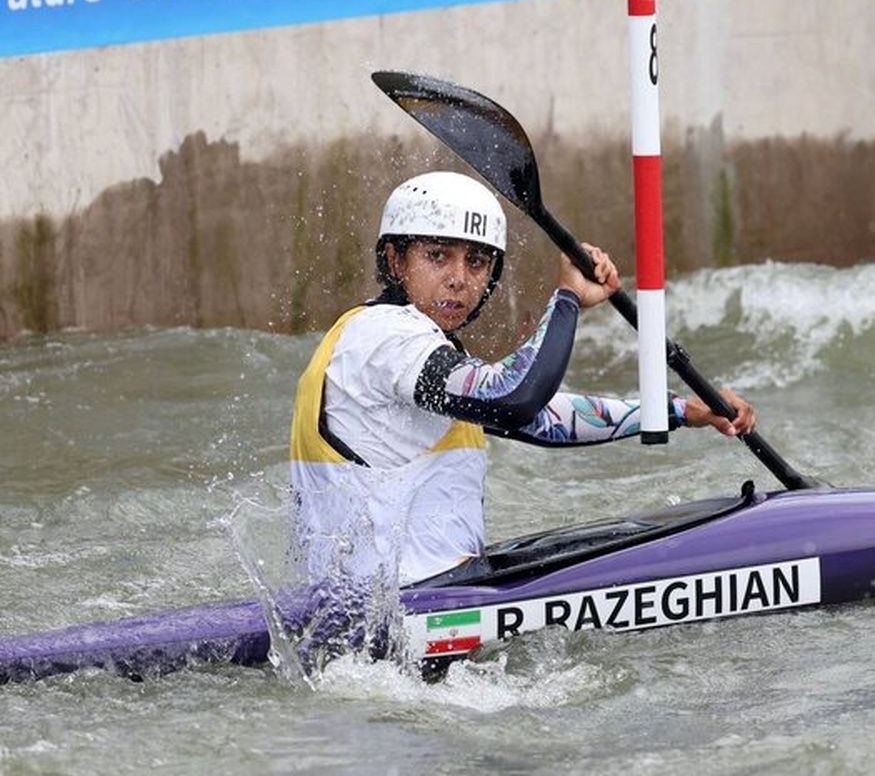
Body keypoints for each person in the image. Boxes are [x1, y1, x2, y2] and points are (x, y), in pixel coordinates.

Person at [289, 170, 755, 587]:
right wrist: (568, 298)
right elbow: (515, 397)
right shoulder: (385, 339)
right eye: (437, 256)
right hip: (403, 611)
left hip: (405, 595)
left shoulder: (411, 350)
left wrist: (678, 410)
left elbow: (541, 419)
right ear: (394, 261)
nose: (459, 279)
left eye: (476, 262)